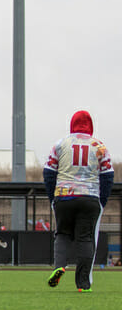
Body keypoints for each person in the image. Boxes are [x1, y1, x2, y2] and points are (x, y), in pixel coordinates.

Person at [43, 110, 114, 292]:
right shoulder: (99, 146)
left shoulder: (60, 144)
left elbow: (49, 172)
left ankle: (59, 265)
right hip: (89, 197)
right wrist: (101, 201)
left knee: (63, 233)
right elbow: (107, 176)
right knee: (85, 239)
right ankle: (83, 284)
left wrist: (53, 198)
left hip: (64, 195)